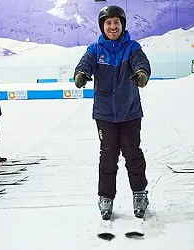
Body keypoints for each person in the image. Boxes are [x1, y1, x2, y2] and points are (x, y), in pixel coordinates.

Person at [74, 5, 151, 220]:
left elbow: (141, 62)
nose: (113, 26)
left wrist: (142, 73)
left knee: (132, 154)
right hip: (105, 114)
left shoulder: (132, 47)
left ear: (122, 25)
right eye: (108, 23)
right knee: (108, 156)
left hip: (130, 112)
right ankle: (106, 197)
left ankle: (140, 193)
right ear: (103, 27)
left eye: (116, 22)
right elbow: (85, 63)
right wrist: (81, 73)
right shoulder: (95, 49)